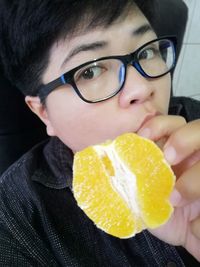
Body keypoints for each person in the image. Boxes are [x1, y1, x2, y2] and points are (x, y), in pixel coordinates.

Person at [0, 0, 200, 266]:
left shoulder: (194, 120)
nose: (142, 88)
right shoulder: (17, 221)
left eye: (148, 51)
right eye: (90, 71)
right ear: (42, 112)